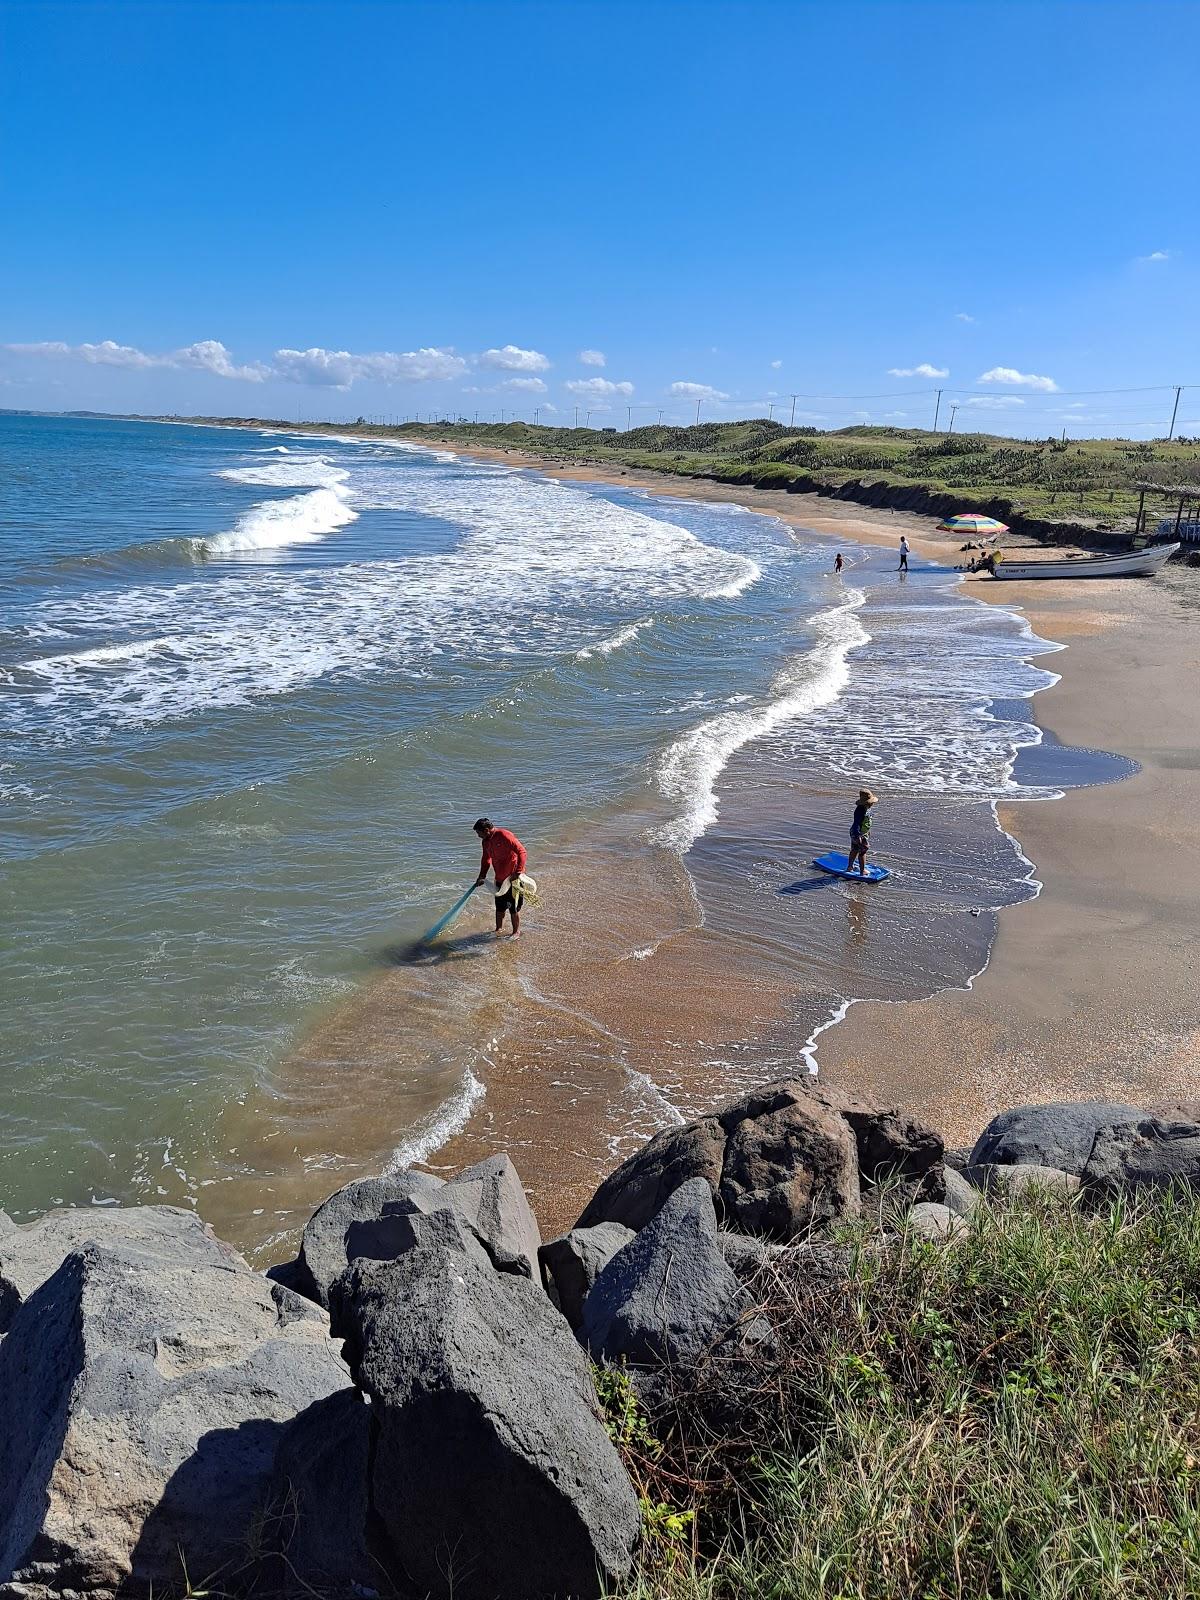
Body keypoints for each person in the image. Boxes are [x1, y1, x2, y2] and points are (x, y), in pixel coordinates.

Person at [473, 817, 528, 938]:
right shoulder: (486, 842)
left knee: (513, 909)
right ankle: (498, 929)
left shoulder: (504, 835)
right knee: (499, 908)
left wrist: (518, 872)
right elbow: (486, 860)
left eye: (479, 833)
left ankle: (516, 932)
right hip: (499, 879)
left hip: (513, 879)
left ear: (487, 830)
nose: (478, 836)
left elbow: (522, 852)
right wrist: (482, 876)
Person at [849, 788, 877, 877]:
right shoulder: (860, 810)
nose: (873, 803)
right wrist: (858, 835)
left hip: (859, 833)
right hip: (858, 833)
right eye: (871, 802)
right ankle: (862, 871)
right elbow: (856, 823)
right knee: (862, 852)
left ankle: (850, 867)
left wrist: (867, 832)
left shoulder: (866, 808)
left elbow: (866, 823)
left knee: (855, 849)